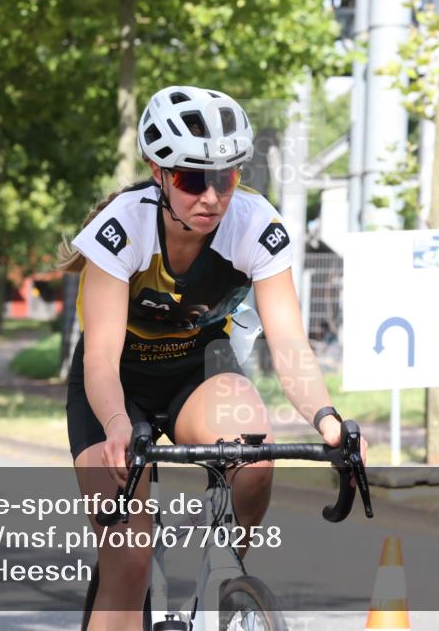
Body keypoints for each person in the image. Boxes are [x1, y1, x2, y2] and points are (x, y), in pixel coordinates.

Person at [58, 85, 367, 630]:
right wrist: (114, 426)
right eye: (192, 179)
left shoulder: (254, 224)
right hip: (114, 389)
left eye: (225, 178)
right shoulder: (121, 229)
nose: (211, 196)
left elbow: (290, 343)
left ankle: (222, 582)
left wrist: (326, 418)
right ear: (159, 173)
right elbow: (101, 359)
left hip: (196, 373)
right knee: (127, 565)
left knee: (256, 457)